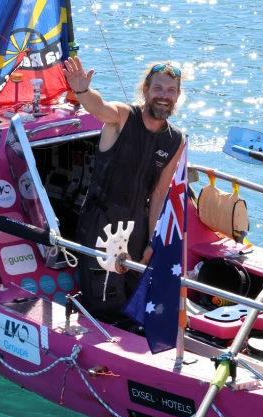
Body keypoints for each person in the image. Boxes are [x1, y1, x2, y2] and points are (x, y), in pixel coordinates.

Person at [63, 56, 185, 324]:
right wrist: (82, 90)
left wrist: (153, 240)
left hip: (137, 225)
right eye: (158, 89)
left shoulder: (175, 140)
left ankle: (132, 334)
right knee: (102, 289)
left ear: (177, 96)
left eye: (171, 90)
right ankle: (101, 334)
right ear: (145, 90)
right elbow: (99, 107)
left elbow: (159, 193)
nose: (164, 96)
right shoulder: (122, 117)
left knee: (134, 282)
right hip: (101, 221)